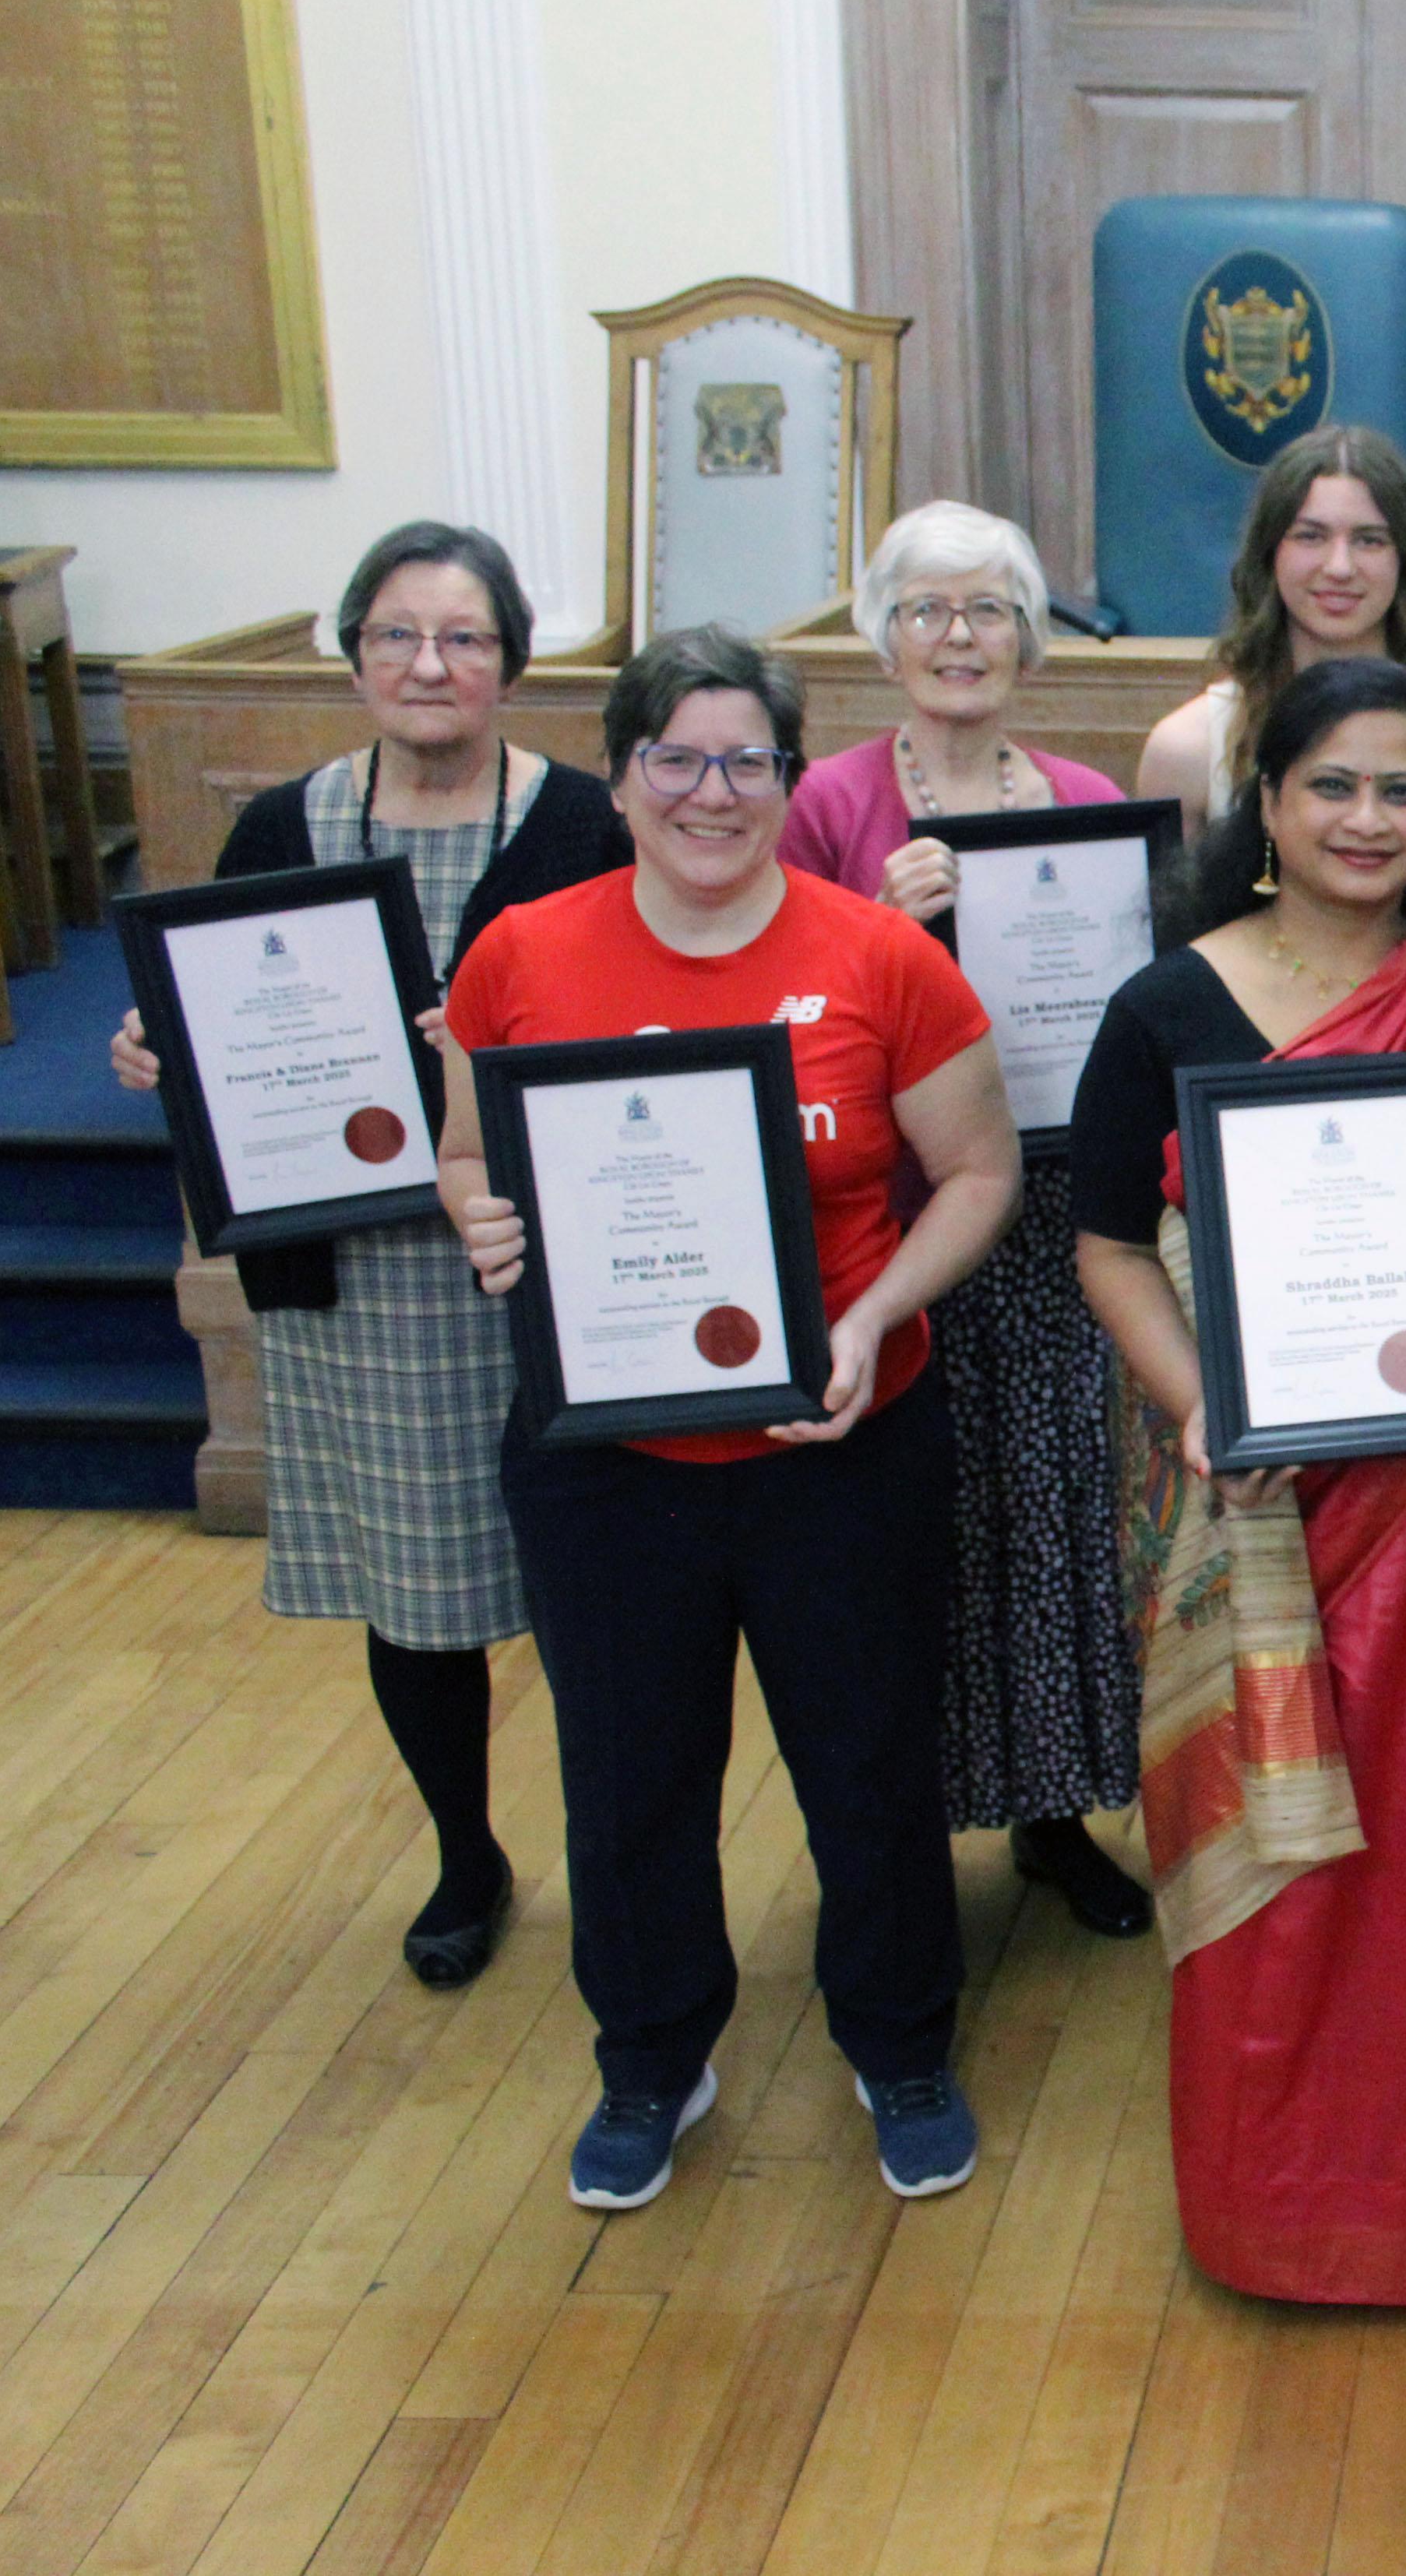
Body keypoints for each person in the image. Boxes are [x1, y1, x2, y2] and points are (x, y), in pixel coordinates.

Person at [439, 627, 1020, 2208]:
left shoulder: (877, 956)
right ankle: (650, 2063)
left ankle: (899, 2048)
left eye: (746, 761)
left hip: (843, 1444)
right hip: (607, 1465)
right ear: (622, 780)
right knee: (628, 1777)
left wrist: (877, 1312)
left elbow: (980, 1174)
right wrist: (482, 1216)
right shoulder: (522, 957)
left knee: (869, 1768)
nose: (713, 793)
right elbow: (466, 1157)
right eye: (676, 760)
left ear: (786, 774)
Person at [1069, 655, 1406, 2303]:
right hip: (1246, 1497)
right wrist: (1207, 1408)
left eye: (1402, 790)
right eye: (1333, 787)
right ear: (1269, 808)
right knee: (1272, 1840)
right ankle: (1286, 2204)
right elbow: (1102, 1251)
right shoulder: (1169, 1003)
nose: (1368, 819)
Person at [107, 520, 629, 1991]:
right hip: (360, 1281)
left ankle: (626, 1860)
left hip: (541, 1265)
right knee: (414, 1591)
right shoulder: (283, 826)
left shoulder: (588, 821)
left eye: (464, 638)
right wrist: (168, 1047)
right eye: (397, 635)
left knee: (598, 1585)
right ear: (352, 657)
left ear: (513, 666)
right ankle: (466, 1851)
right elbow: (218, 1009)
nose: (428, 665)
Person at [781, 501, 1153, 1941]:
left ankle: (1056, 1818)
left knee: (1052, 1509)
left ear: (1028, 638)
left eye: (990, 609)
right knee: (915, 1529)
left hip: (1055, 1209)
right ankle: (898, 1840)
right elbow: (785, 997)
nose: (958, 637)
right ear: (882, 636)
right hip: (896, 1216)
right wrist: (875, 916)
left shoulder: (1077, 793)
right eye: (929, 610)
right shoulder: (823, 806)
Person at [1131, 425, 1406, 933]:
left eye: (1369, 540)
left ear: (1405, 560)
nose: (1339, 567)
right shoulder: (1185, 750)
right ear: (1269, 553)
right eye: (1310, 536)